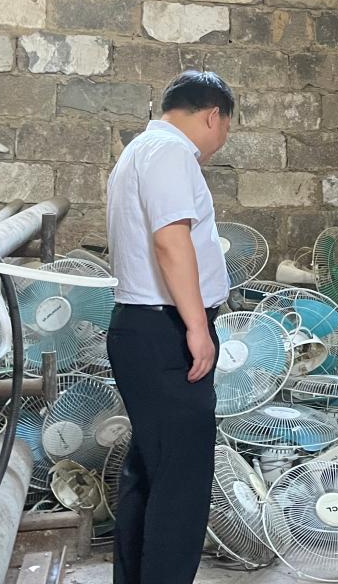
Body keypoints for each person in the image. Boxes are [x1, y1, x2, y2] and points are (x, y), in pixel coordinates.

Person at [105, 70, 234, 584]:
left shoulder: (139, 151)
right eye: (226, 129)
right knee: (181, 485)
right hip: (166, 332)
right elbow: (170, 240)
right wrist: (197, 328)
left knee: (150, 471)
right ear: (213, 116)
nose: (221, 141)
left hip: (145, 328)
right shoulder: (172, 153)